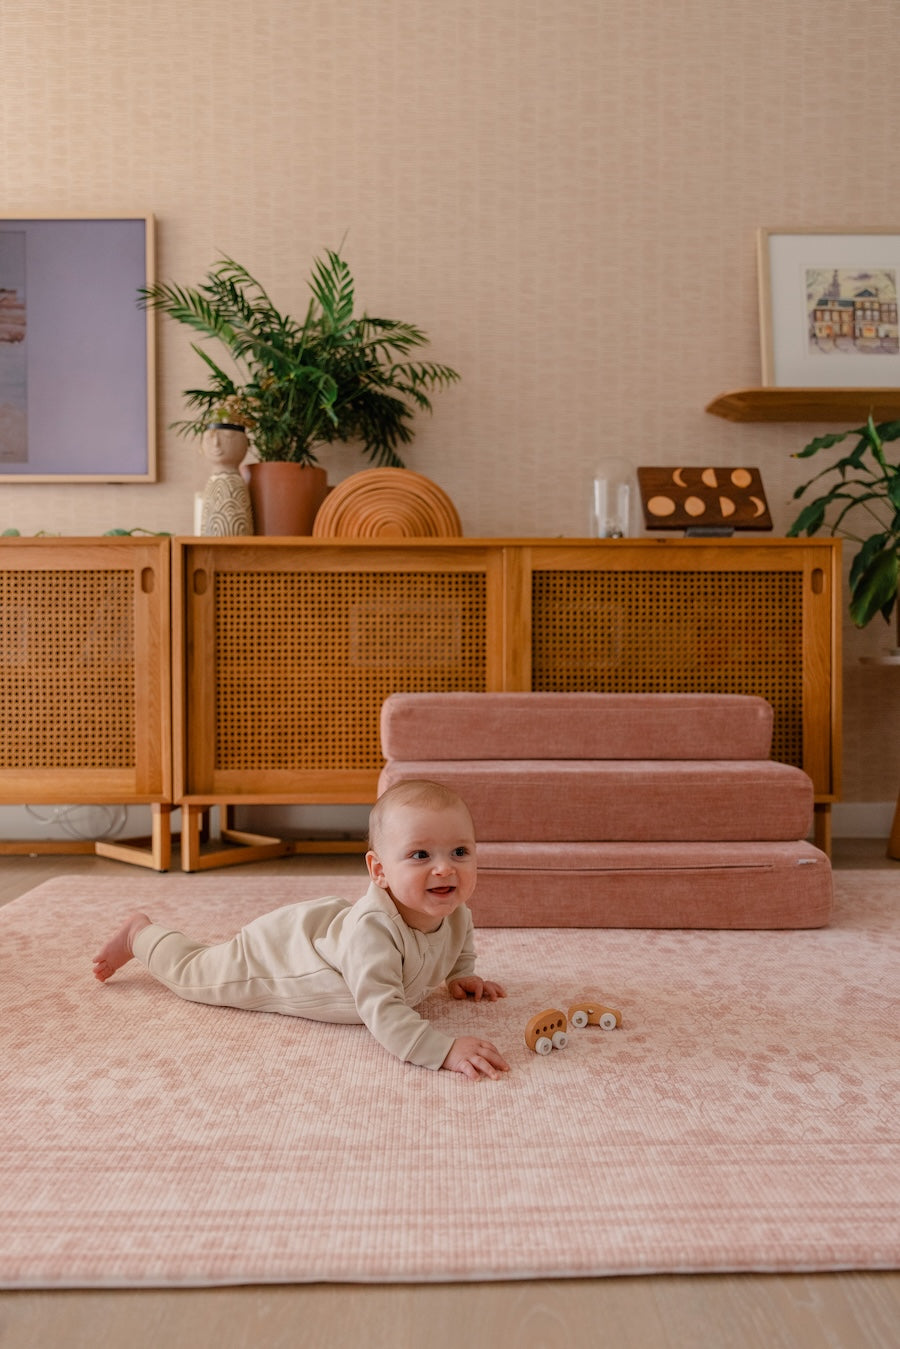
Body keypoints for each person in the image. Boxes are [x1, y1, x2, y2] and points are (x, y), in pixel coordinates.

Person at [92, 779, 510, 1081]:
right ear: (379, 871)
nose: (444, 867)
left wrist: (461, 974)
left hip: (325, 931)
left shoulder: (454, 910)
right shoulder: (375, 934)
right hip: (280, 958)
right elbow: (382, 1011)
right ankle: (140, 934)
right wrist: (443, 1050)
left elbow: (460, 943)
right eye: (420, 854)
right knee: (195, 974)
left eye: (460, 852)